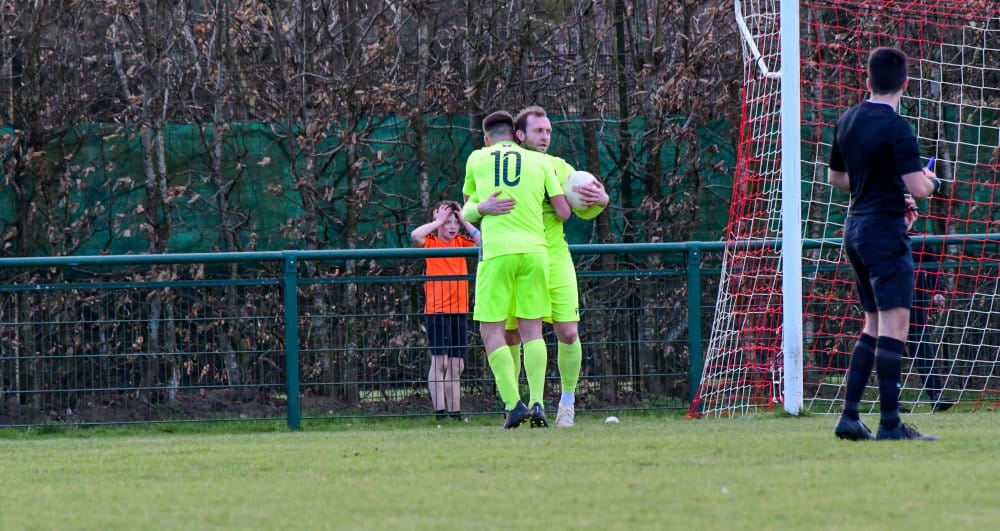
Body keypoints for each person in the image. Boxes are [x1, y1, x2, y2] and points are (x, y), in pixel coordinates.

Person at [462, 106, 609, 428]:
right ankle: (519, 404)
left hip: (552, 255)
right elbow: (472, 205)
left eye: (548, 132)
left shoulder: (558, 166)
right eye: (539, 131)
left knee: (568, 332)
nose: (545, 137)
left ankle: (566, 402)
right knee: (513, 334)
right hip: (528, 253)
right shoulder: (514, 163)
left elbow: (578, 207)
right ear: (520, 135)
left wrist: (602, 201)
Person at [827, 46, 942, 441]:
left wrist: (886, 188)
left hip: (855, 230)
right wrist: (929, 181)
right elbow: (918, 187)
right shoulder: (897, 128)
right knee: (896, 322)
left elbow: (837, 179)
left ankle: (849, 418)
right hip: (883, 232)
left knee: (873, 323)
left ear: (868, 80)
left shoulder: (847, 119)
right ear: (905, 83)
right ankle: (891, 424)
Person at [410, 201, 481, 421]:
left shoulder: (462, 241)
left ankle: (455, 412)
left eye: (454, 222)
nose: (452, 226)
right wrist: (437, 221)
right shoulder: (431, 242)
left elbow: (484, 242)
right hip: (437, 311)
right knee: (440, 361)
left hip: (459, 310)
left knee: (457, 365)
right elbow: (415, 235)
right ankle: (441, 413)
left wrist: (465, 221)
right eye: (447, 222)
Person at [905, 217, 953, 412]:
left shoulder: (920, 240)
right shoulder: (883, 236)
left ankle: (936, 395)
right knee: (889, 349)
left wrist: (937, 291)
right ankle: (891, 401)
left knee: (922, 347)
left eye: (909, 212)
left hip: (915, 302)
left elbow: (933, 267)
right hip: (888, 301)